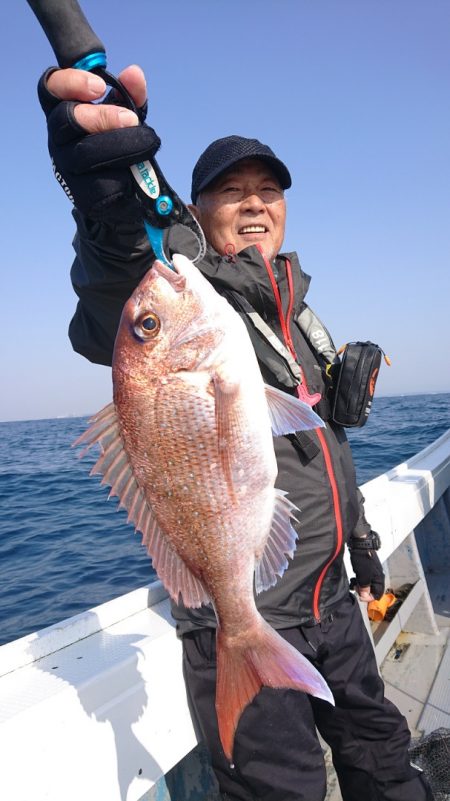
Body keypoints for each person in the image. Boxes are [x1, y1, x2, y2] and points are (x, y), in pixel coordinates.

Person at [38, 64, 434, 801]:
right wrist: (106, 210)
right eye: (231, 190)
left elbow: (325, 449)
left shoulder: (295, 313)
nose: (253, 203)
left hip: (334, 598)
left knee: (385, 763)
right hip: (251, 605)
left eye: (268, 190)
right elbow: (119, 285)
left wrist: (365, 544)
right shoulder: (192, 289)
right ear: (196, 209)